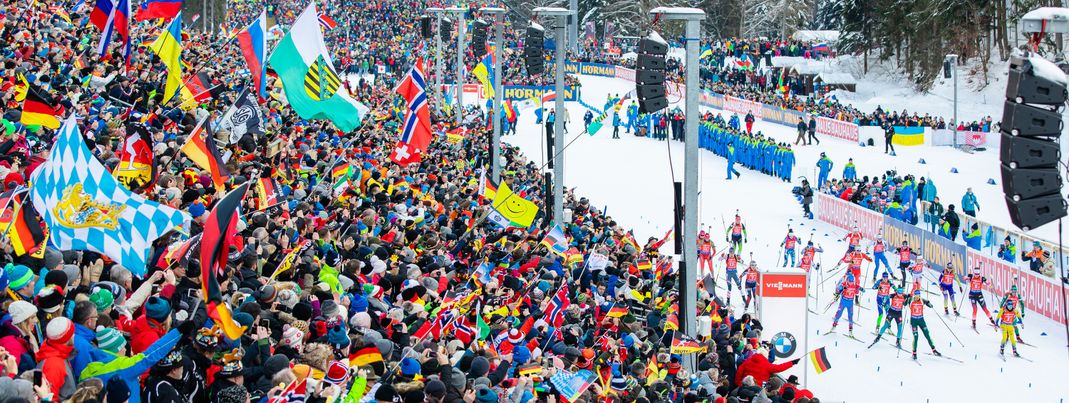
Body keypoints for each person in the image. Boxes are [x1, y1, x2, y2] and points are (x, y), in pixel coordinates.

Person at [906, 289, 942, 360]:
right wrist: (906, 299)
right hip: (913, 321)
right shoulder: (911, 300)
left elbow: (927, 302)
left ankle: (934, 350)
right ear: (914, 295)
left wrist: (930, 305)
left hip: (921, 320)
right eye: (916, 295)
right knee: (916, 337)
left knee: (927, 335)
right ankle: (914, 353)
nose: (917, 296)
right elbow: (904, 303)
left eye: (918, 295)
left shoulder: (922, 300)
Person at [830, 272, 862, 336]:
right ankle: (834, 326)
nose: (851, 283)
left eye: (852, 281)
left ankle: (850, 331)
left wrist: (861, 289)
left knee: (850, 316)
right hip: (843, 302)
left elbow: (859, 288)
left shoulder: (854, 285)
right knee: (838, 314)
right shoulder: (844, 284)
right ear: (847, 280)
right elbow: (838, 288)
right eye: (850, 281)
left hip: (850, 303)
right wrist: (842, 288)